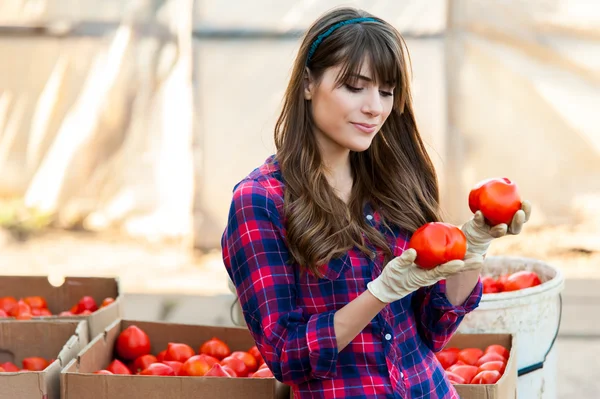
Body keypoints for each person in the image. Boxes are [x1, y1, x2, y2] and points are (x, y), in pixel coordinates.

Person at [221, 7, 531, 399]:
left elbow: (433, 330)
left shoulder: (394, 184)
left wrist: (472, 253)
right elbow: (287, 354)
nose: (375, 108)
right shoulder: (261, 202)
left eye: (386, 92)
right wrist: (380, 292)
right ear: (307, 85)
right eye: (355, 87)